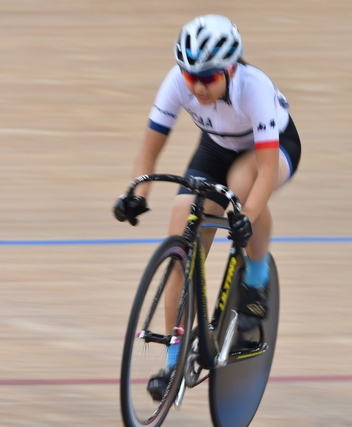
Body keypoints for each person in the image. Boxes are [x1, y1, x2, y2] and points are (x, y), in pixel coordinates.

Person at [113, 14, 301, 401]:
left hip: (273, 148)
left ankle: (257, 274)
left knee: (241, 185)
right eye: (191, 77)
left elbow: (266, 171)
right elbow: (149, 148)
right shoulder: (176, 82)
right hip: (216, 147)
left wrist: (245, 218)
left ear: (230, 69)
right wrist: (138, 194)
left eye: (209, 77)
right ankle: (174, 360)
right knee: (181, 233)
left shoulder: (254, 88)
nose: (198, 86)